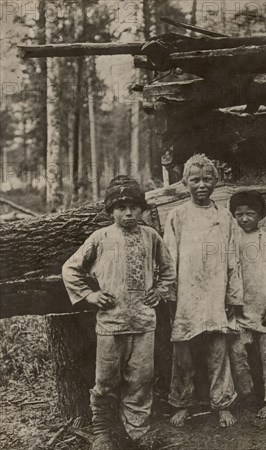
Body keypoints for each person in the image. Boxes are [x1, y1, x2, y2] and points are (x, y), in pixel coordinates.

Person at [62, 176, 176, 450]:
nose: (128, 213)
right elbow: (70, 268)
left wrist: (160, 291)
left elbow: (169, 270)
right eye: (121, 207)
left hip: (143, 322)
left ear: (142, 209)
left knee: (141, 380)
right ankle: (102, 430)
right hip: (111, 325)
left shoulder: (151, 236)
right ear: (110, 210)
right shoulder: (100, 237)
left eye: (134, 207)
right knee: (106, 381)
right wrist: (90, 295)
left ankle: (137, 432)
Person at [164, 154, 243, 429]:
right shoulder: (177, 216)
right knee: (183, 352)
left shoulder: (224, 216)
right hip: (186, 294)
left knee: (218, 350)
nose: (201, 185)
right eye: (195, 180)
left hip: (215, 294)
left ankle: (222, 403)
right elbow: (168, 259)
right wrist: (171, 295)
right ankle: (181, 403)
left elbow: (233, 257)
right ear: (185, 181)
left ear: (216, 182)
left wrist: (233, 295)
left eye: (207, 179)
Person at [228, 190, 266, 418]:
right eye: (239, 214)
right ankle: (247, 395)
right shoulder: (230, 241)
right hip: (240, 311)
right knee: (237, 355)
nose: (244, 218)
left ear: (261, 215)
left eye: (250, 213)